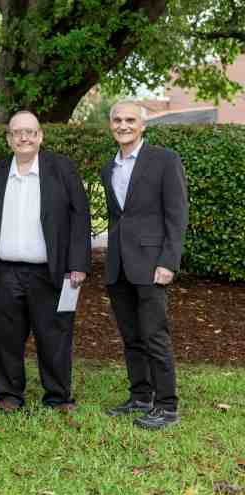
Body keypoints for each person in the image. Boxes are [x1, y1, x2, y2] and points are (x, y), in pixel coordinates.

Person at [0, 110, 91, 413]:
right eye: (17, 132)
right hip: (3, 272)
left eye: (30, 132)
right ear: (9, 139)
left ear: (40, 136)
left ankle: (58, 396)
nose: (24, 137)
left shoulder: (61, 169)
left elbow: (80, 216)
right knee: (3, 337)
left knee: (54, 335)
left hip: (50, 272)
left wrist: (78, 263)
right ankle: (8, 395)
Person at [102, 101, 188, 430]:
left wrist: (168, 261)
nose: (123, 125)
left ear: (142, 125)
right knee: (131, 336)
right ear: (111, 125)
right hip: (119, 265)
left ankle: (166, 406)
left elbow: (176, 214)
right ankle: (140, 396)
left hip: (152, 264)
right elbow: (118, 217)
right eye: (117, 120)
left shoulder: (165, 160)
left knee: (155, 336)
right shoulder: (108, 167)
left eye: (130, 120)